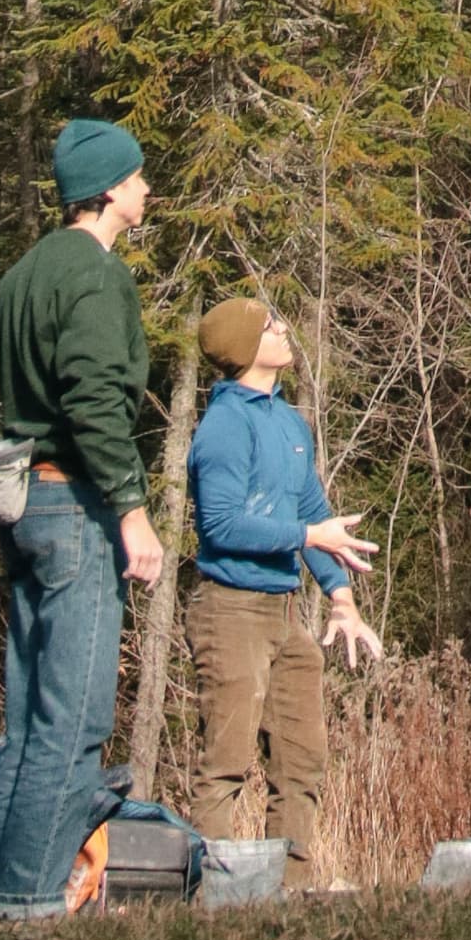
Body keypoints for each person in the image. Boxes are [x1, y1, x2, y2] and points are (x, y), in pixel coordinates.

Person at [0, 119, 168, 920]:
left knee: (30, 720)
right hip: (76, 504)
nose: (147, 187)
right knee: (76, 718)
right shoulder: (94, 276)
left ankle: (3, 888)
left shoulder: (23, 273)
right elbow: (92, 400)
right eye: (138, 176)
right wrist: (132, 512)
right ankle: (24, 900)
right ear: (110, 190)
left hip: (26, 506)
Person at [182, 299, 382, 891]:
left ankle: (292, 890)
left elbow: (314, 514)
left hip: (285, 612)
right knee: (226, 762)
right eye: (271, 325)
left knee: (301, 759)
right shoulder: (224, 426)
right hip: (229, 609)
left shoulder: (289, 422)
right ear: (246, 348)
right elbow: (220, 525)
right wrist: (305, 535)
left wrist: (341, 597)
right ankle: (210, 894)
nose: (284, 329)